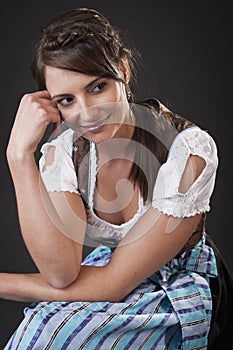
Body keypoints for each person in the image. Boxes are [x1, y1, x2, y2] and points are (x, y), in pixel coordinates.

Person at [1, 7, 232, 350]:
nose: (86, 114)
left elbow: (113, 285)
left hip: (178, 286)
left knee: (62, 335)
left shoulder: (188, 150)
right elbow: (60, 273)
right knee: (39, 327)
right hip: (108, 273)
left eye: (96, 87)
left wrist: (2, 283)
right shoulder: (67, 150)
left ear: (121, 70)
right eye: (67, 100)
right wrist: (18, 157)